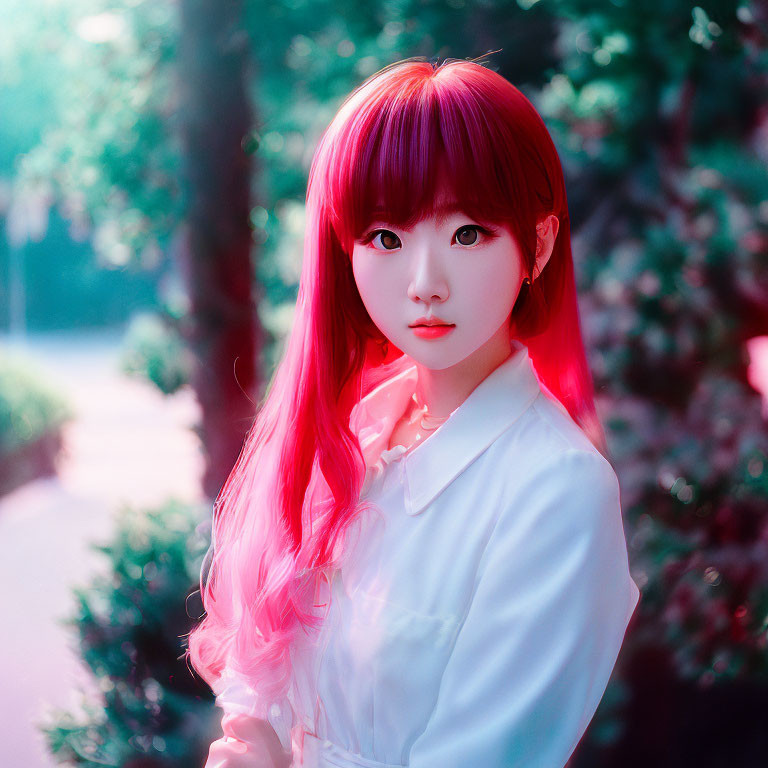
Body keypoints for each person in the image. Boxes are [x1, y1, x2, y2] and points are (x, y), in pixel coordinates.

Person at [189, 53, 641, 768]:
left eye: (467, 234)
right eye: (386, 239)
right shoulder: (354, 436)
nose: (424, 284)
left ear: (540, 243)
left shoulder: (556, 493)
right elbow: (261, 690)